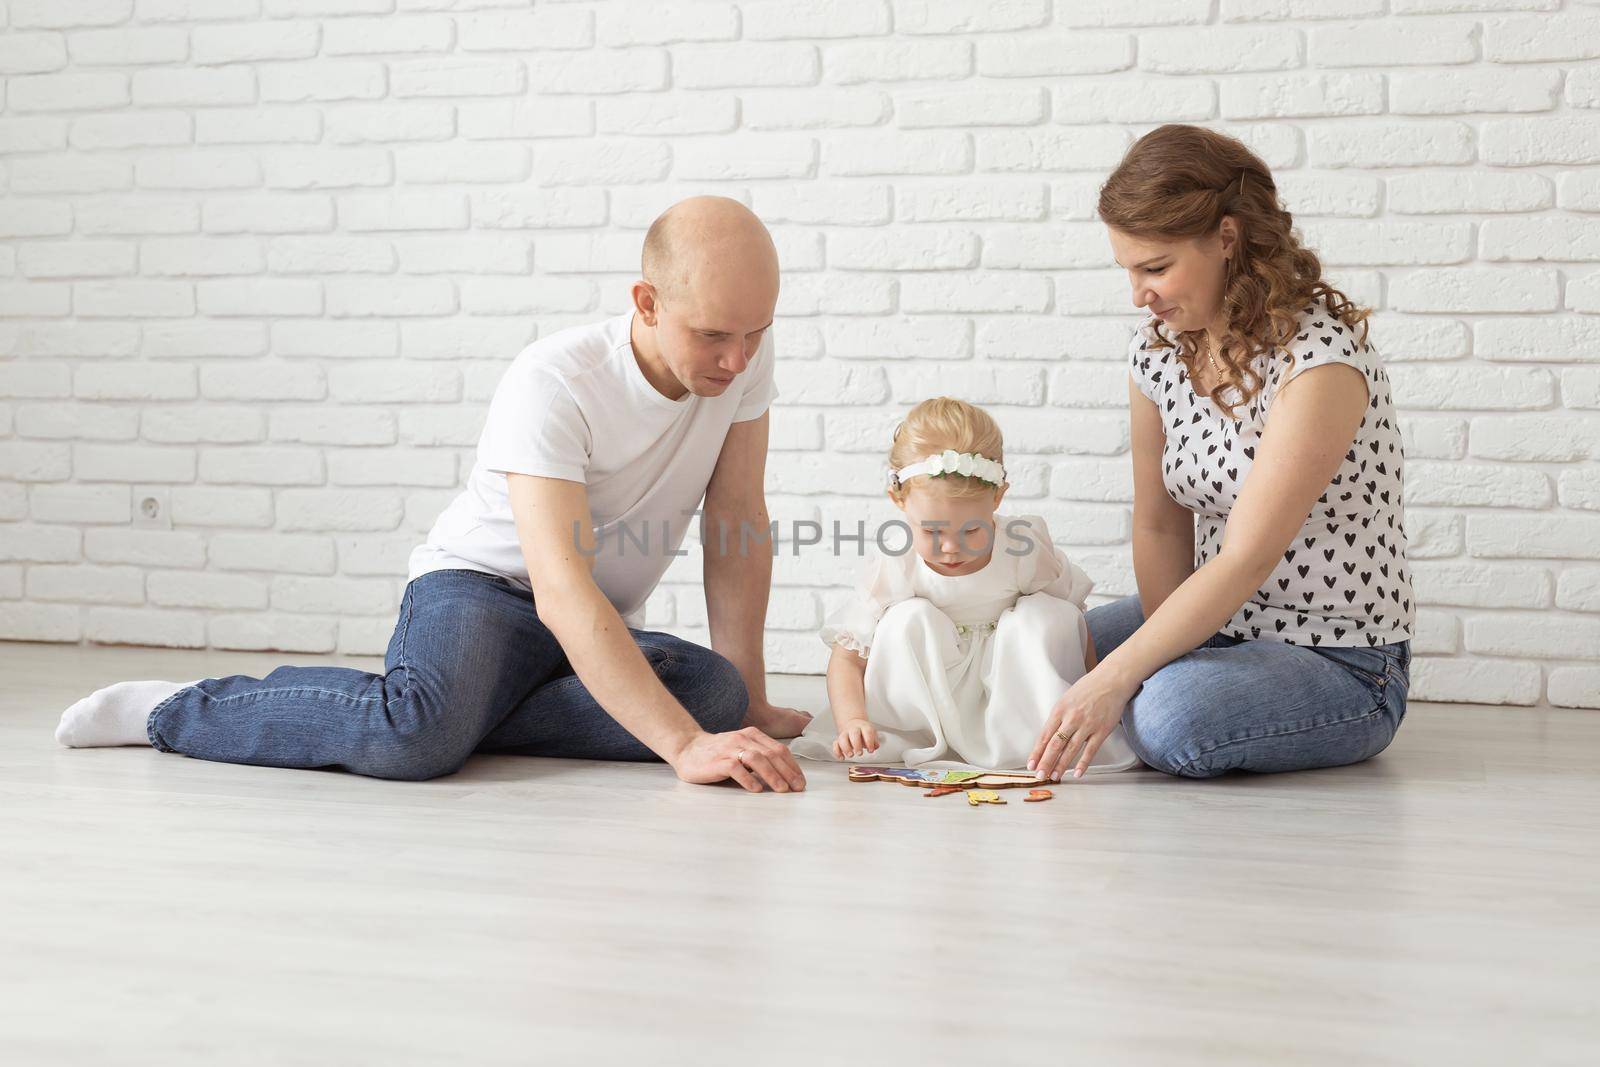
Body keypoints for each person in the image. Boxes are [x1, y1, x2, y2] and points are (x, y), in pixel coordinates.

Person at [56, 196, 810, 795]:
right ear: (645, 301)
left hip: (586, 619)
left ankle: (467, 709)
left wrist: (746, 699)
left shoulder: (741, 353)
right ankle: (175, 708)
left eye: (756, 331)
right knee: (417, 736)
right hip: (482, 590)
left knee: (715, 693)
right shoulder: (555, 383)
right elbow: (558, 585)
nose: (737, 358)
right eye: (713, 334)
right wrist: (680, 745)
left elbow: (737, 515)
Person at [1029, 124, 1414, 783]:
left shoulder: (1318, 360)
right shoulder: (1157, 351)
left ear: (1228, 239)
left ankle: (1157, 696)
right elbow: (1158, 521)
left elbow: (1246, 554)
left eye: (1155, 268)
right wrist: (1155, 654)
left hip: (1338, 658)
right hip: (1223, 622)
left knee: (1168, 716)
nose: (1138, 294)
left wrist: (1126, 674)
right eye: (1128, 270)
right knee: (1039, 644)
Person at [788, 397, 1139, 773]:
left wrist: (1089, 690)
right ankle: (915, 734)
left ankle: (1042, 731)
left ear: (998, 497)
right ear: (898, 501)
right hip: (928, 694)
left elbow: (1074, 628)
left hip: (1008, 690)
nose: (951, 548)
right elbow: (847, 658)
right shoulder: (897, 564)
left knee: (1048, 613)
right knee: (908, 618)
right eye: (932, 531)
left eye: (972, 529)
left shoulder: (1022, 548)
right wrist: (852, 720)